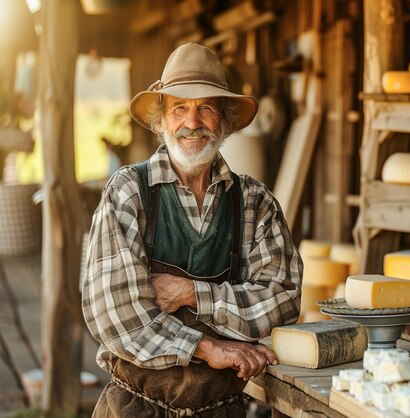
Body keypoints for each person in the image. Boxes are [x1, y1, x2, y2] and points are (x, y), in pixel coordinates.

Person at [82, 42, 303, 418]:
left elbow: (281, 302)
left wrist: (192, 293)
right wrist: (207, 347)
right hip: (135, 407)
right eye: (180, 108)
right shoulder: (128, 192)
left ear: (226, 119)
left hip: (221, 410)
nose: (193, 122)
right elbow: (117, 316)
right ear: (162, 121)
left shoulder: (254, 202)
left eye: (206, 108)